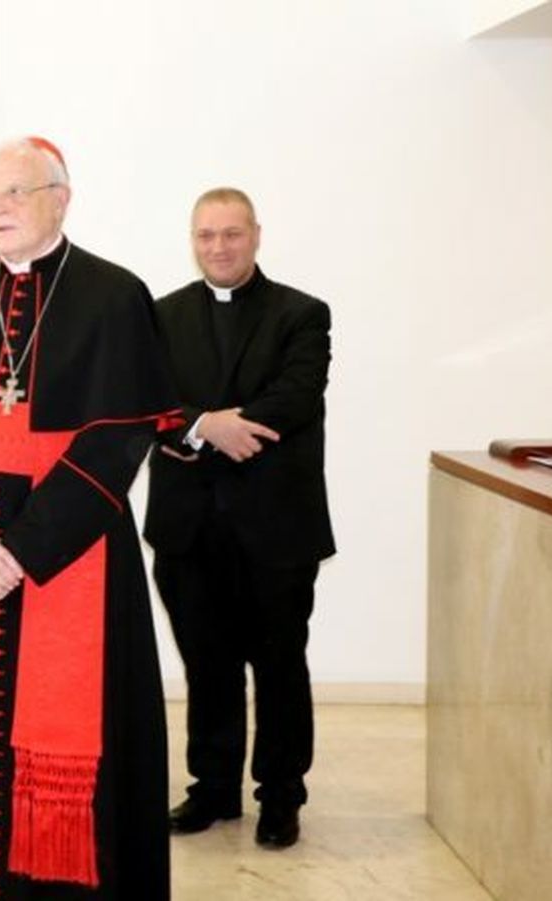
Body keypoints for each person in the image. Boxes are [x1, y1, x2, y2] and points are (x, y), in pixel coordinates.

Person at [0, 138, 180, 899]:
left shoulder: (114, 296)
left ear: (62, 199)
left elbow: (117, 441)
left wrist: (18, 552)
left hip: (68, 557)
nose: (1, 208)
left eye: (18, 192)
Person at [144, 187, 334, 849]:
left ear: (256, 235)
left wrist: (219, 428)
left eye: (231, 233)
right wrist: (204, 424)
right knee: (207, 664)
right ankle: (213, 788)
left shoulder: (302, 314)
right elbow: (145, 400)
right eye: (206, 235)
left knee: (280, 665)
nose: (219, 247)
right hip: (188, 525)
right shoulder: (160, 315)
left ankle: (281, 796)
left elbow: (296, 395)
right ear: (192, 240)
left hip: (275, 527)